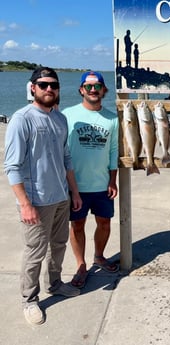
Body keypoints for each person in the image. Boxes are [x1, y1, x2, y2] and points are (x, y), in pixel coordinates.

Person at [4, 67, 83, 325]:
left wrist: (73, 191)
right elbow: (11, 166)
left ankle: (56, 283)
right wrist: (25, 204)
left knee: (58, 245)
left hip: (61, 196)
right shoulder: (22, 119)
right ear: (33, 88)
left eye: (54, 85)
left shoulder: (59, 118)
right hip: (36, 200)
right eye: (44, 84)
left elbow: (66, 158)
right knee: (35, 252)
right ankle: (29, 300)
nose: (49, 89)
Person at [62, 71, 119, 289]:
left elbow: (113, 150)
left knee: (104, 222)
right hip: (76, 184)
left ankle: (99, 256)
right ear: (81, 90)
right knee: (77, 224)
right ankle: (81, 264)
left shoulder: (112, 118)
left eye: (97, 87)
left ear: (104, 90)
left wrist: (112, 180)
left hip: (102, 182)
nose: (93, 90)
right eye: (88, 86)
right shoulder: (68, 115)